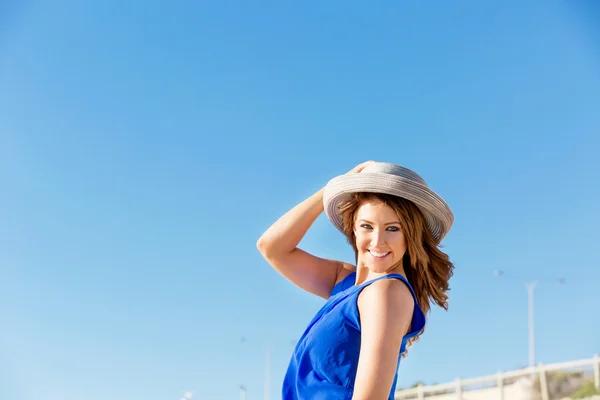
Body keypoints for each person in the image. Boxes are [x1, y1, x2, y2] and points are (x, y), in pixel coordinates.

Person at [256, 161, 455, 400]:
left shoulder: (387, 291)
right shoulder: (345, 282)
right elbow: (271, 247)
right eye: (367, 226)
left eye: (393, 229)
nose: (378, 241)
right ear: (353, 229)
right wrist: (332, 189)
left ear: (410, 235)